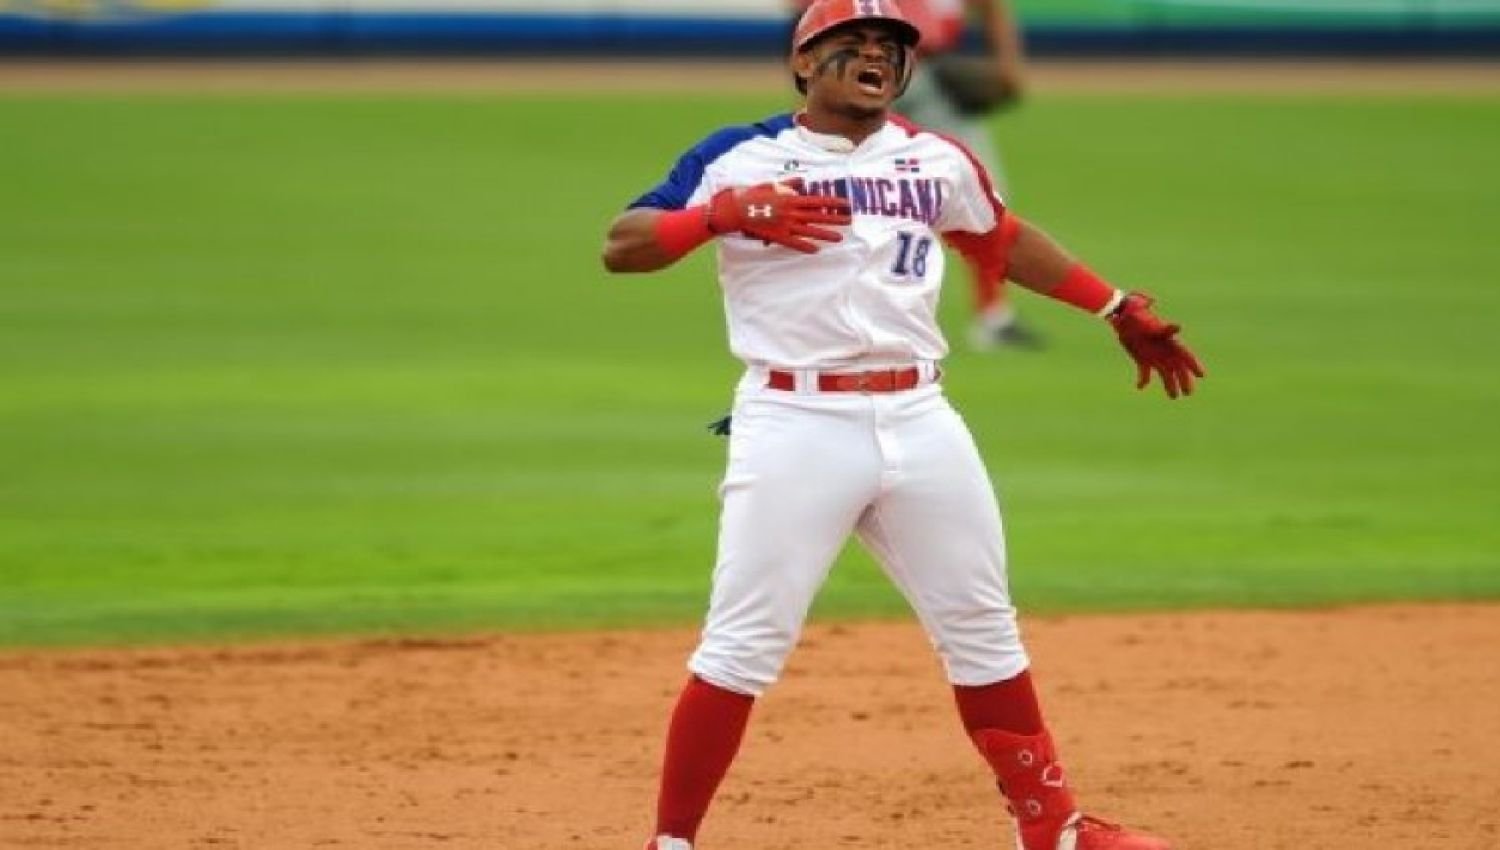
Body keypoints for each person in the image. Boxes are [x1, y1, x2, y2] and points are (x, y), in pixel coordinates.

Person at [600, 2, 1204, 848]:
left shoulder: (934, 156)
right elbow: (623, 245)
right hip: (795, 419)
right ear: (803, 63)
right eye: (852, 43)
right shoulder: (739, 155)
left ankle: (1055, 829)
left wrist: (1113, 306)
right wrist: (718, 216)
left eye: (890, 47)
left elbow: (1000, 237)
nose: (876, 54)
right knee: (744, 644)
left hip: (921, 416)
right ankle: (671, 843)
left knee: (983, 627)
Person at [789, 0, 1038, 350]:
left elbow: (989, 7)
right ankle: (829, 311)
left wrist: (1008, 63)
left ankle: (991, 315)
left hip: (927, 75)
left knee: (976, 197)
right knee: (839, 194)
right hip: (871, 76)